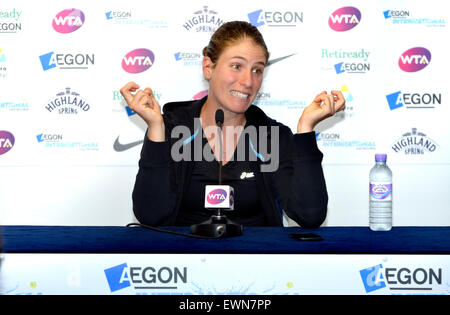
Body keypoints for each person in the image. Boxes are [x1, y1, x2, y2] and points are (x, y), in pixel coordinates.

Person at [120, 21, 345, 228]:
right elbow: (149, 215)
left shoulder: (272, 136)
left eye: (257, 70)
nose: (248, 81)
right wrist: (156, 129)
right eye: (237, 66)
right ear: (208, 67)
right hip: (185, 263)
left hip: (256, 263)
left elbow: (309, 215)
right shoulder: (175, 128)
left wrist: (305, 130)